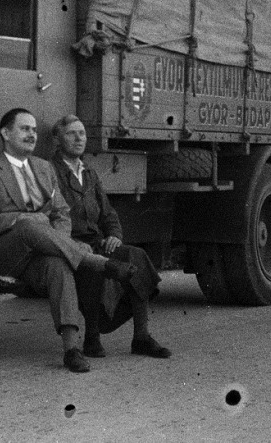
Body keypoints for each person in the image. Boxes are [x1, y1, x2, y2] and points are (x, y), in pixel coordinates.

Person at [0, 107, 135, 373]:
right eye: (24, 129)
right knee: (28, 225)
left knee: (59, 265)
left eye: (34, 130)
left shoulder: (44, 168)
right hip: (5, 252)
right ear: (5, 133)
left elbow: (61, 212)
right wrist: (22, 219)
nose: (32, 134)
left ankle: (71, 350)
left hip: (42, 250)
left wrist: (56, 240)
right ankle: (99, 263)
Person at [49, 114, 171, 360]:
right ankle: (92, 338)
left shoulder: (90, 173)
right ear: (58, 139)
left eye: (82, 133)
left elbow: (108, 213)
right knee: (93, 265)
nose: (78, 138)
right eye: (71, 133)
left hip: (96, 242)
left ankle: (141, 337)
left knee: (135, 256)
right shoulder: (49, 171)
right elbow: (48, 215)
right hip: (68, 244)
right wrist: (71, 242)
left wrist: (114, 235)